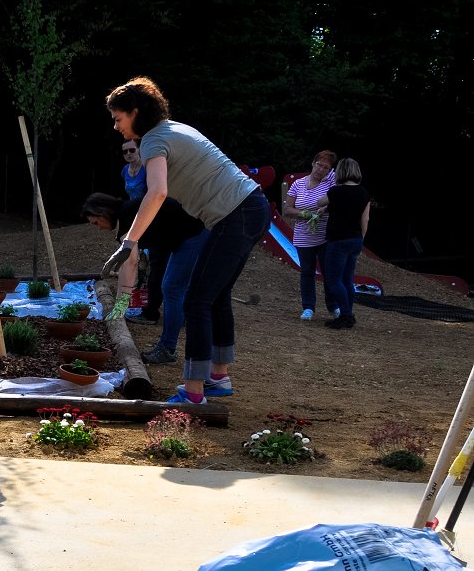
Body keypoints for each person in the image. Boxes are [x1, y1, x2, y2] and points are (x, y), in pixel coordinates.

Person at [105, 76, 270, 405]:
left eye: (118, 118)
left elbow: (158, 191)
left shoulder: (152, 140)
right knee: (216, 296)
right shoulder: (172, 128)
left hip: (232, 215)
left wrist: (127, 242)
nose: (116, 126)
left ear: (135, 112)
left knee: (196, 300)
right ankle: (218, 377)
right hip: (252, 207)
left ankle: (194, 392)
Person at [81, 192, 207, 365]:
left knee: (171, 288)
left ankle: (167, 349)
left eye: (96, 222)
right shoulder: (126, 213)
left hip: (194, 235)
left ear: (102, 212)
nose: (99, 227)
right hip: (183, 237)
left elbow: (130, 263)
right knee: (172, 286)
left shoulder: (126, 217)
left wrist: (121, 305)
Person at [316, 158, 370, 330]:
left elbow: (319, 202)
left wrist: (327, 205)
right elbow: (365, 219)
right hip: (355, 240)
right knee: (348, 280)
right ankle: (349, 313)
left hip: (338, 241)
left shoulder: (335, 191)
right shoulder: (363, 193)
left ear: (340, 171)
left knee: (333, 280)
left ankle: (345, 315)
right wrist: (361, 239)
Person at [282, 150, 337, 320]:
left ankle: (333, 306)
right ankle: (308, 307)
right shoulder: (298, 184)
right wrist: (305, 214)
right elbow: (287, 209)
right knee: (307, 271)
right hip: (303, 235)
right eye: (319, 165)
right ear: (313, 163)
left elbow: (338, 197)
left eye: (326, 167)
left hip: (325, 235)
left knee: (329, 272)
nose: (321, 169)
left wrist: (325, 208)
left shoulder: (330, 183)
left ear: (329, 171)